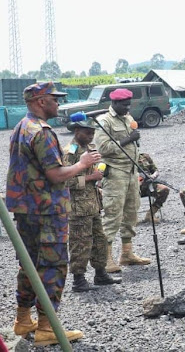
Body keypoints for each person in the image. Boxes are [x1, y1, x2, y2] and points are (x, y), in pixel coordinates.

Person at [8, 82, 97, 345]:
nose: (59, 103)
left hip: (27, 210)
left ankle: (23, 319)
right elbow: (56, 174)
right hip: (47, 211)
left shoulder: (21, 127)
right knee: (53, 266)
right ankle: (47, 327)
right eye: (54, 99)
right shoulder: (42, 132)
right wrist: (83, 164)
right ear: (40, 101)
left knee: (30, 264)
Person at [94, 88, 150, 273]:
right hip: (115, 173)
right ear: (114, 103)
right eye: (124, 105)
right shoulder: (104, 122)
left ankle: (126, 254)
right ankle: (106, 258)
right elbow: (103, 148)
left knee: (131, 212)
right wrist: (128, 139)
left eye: (129, 104)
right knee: (113, 214)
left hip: (131, 172)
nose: (128, 108)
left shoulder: (127, 118)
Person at [64, 120, 121, 292]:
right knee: (80, 243)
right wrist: (91, 177)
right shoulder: (70, 152)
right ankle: (78, 280)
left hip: (93, 204)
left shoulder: (90, 149)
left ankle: (100, 273)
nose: (90, 136)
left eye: (92, 133)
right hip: (77, 207)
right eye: (86, 133)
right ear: (76, 131)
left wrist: (99, 176)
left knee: (99, 240)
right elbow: (66, 181)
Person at [137, 153, 169, 224]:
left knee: (164, 190)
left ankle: (150, 214)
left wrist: (153, 176)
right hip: (133, 187)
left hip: (149, 185)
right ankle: (132, 218)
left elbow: (155, 170)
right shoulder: (124, 159)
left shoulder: (144, 156)